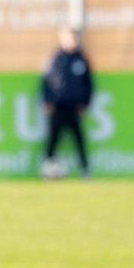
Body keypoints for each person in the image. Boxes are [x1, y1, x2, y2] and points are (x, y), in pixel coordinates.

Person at [41, 26, 93, 179]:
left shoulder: (81, 59)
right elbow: (47, 82)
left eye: (73, 37)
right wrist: (47, 101)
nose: (71, 41)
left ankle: (85, 170)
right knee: (53, 139)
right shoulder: (56, 58)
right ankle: (47, 169)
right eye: (68, 38)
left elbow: (89, 84)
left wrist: (86, 102)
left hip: (74, 107)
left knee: (79, 139)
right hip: (58, 106)